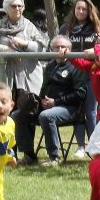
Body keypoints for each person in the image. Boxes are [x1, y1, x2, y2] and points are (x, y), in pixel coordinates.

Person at [0, 0, 47, 165]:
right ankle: (8, 153)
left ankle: (28, 153)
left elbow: (41, 48)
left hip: (26, 79)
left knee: (25, 114)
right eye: (14, 6)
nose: (18, 8)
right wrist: (7, 50)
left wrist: (24, 44)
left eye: (20, 6)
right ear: (7, 8)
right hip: (5, 77)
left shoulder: (29, 27)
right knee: (3, 114)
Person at [60, 0, 100, 158]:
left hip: (91, 72)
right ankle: (80, 146)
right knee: (77, 110)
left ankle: (94, 144)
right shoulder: (66, 28)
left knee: (91, 111)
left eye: (84, 9)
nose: (80, 11)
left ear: (89, 11)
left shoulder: (99, 27)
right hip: (71, 71)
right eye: (78, 8)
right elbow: (56, 44)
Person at [38, 35, 87, 165]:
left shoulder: (76, 66)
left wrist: (56, 102)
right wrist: (42, 101)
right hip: (48, 106)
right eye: (56, 47)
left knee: (46, 116)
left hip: (70, 108)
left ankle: (54, 157)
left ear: (69, 49)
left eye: (63, 47)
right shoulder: (49, 66)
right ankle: (28, 154)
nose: (60, 49)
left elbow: (80, 94)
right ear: (51, 49)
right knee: (19, 115)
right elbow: (44, 88)